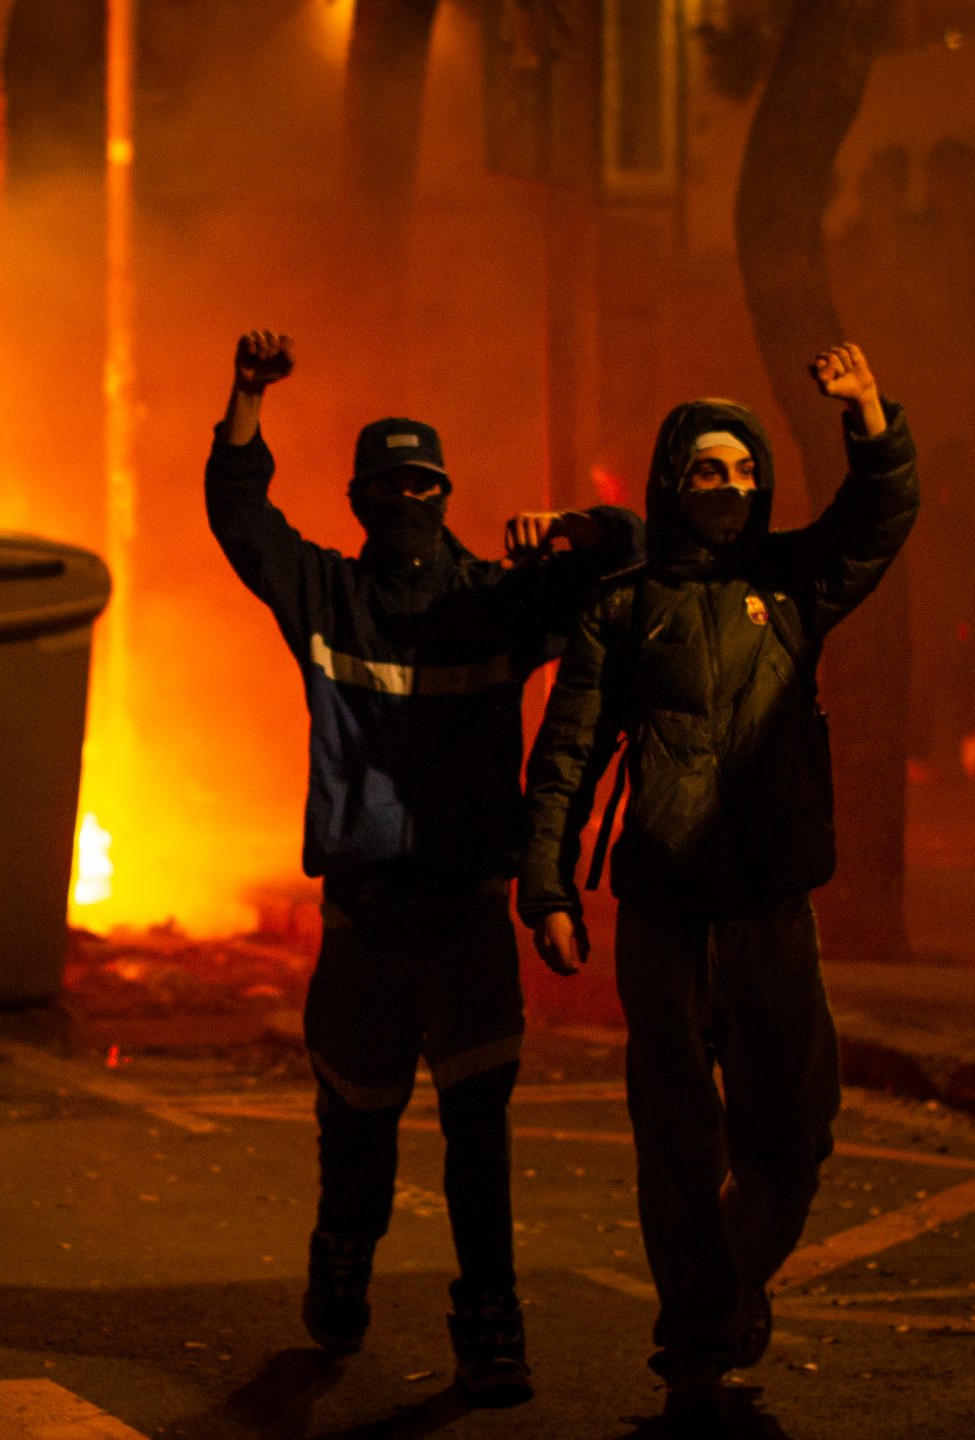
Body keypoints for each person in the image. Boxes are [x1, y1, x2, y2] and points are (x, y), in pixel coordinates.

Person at [206, 329, 641, 1406]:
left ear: (447, 495)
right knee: (357, 1123)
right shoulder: (326, 595)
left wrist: (571, 528)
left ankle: (490, 1322)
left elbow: (629, 555)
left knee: (477, 1134)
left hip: (465, 916)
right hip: (364, 918)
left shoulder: (497, 600)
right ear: (361, 499)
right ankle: (342, 1260)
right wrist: (247, 398)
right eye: (392, 486)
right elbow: (240, 516)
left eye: (425, 485)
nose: (410, 500)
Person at [516, 344, 918, 1416]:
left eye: (745, 470)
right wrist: (548, 889)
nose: (730, 487)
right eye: (708, 470)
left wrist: (868, 415)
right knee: (679, 1144)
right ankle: (696, 1335)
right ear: (673, 481)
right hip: (664, 916)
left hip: (770, 913)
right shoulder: (621, 607)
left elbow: (876, 520)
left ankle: (732, 1283)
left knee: (795, 1132)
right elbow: (567, 753)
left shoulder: (792, 586)